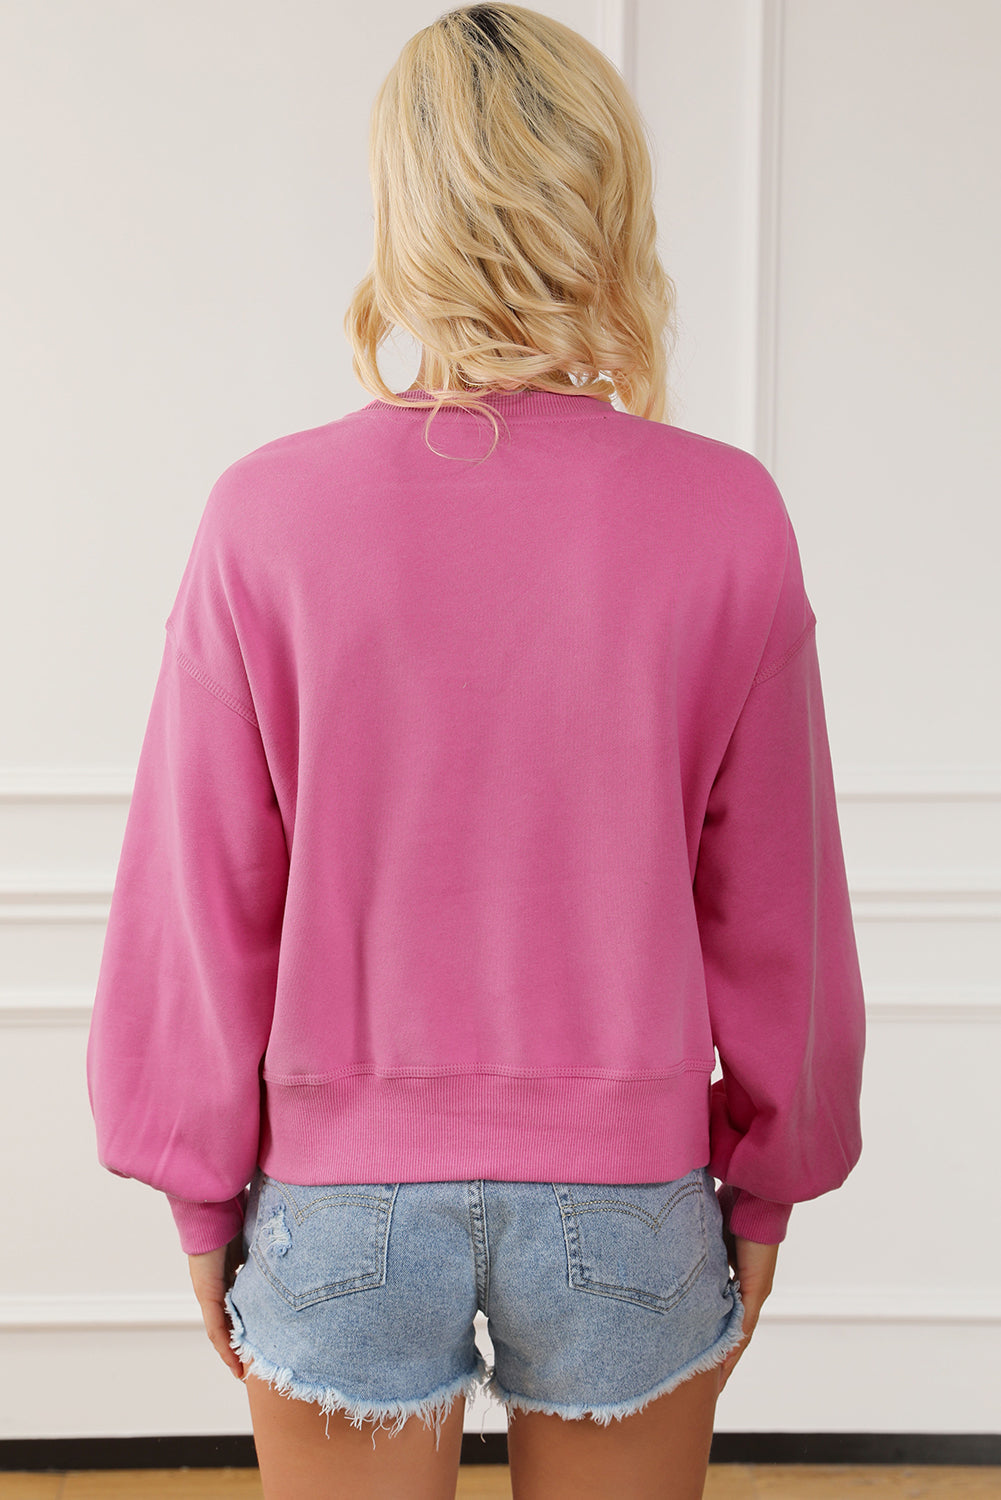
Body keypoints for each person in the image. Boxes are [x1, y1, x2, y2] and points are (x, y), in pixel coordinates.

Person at [85, 5, 866, 1498]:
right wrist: (771, 1180)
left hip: (340, 1202)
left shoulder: (264, 517)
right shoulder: (726, 514)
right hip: (627, 1195)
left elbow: (200, 897)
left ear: (404, 208)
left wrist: (197, 1189)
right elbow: (782, 906)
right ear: (606, 198)